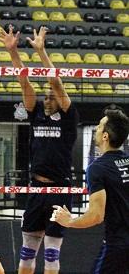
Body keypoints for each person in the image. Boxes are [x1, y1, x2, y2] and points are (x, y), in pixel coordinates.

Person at [0, 26, 79, 274]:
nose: (47, 99)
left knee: (52, 253)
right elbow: (24, 81)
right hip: (36, 188)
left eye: (51, 97)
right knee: (27, 250)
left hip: (59, 189)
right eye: (45, 97)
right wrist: (13, 52)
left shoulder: (67, 118)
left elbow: (55, 82)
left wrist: (41, 52)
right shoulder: (37, 116)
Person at [51, 108, 129, 274]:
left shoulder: (97, 168)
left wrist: (69, 221)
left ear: (106, 136)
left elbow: (96, 216)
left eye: (100, 126)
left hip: (118, 246)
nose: (97, 129)